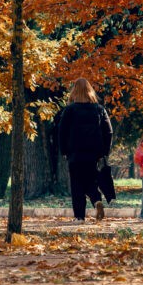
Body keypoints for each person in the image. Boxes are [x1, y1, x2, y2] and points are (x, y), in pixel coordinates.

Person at [57, 78, 112, 222]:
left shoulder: (69, 110)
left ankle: (79, 217)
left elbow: (62, 132)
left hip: (75, 153)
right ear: (90, 91)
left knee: (77, 184)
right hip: (94, 154)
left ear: (75, 90)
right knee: (90, 180)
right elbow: (108, 131)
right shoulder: (99, 109)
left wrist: (64, 151)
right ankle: (96, 200)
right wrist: (104, 152)